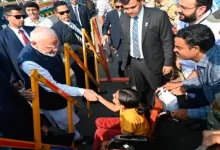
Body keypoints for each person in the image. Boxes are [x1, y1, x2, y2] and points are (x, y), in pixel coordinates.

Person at [18, 27, 96, 144]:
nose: (55, 49)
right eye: (50, 47)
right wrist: (82, 91)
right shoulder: (29, 62)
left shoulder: (46, 46)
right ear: (34, 43)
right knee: (64, 119)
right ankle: (77, 139)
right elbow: (52, 87)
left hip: (61, 85)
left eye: (56, 44)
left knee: (68, 112)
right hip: (50, 96)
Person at [120, 0, 174, 107]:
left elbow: (167, 40)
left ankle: (159, 117)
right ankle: (143, 115)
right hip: (134, 62)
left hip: (153, 62)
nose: (130, 11)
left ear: (141, 2)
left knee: (158, 92)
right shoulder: (123, 18)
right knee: (138, 92)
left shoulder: (158, 15)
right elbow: (126, 41)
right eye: (126, 8)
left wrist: (168, 62)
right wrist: (125, 61)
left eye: (133, 7)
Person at [162, 24, 220, 120]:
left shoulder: (217, 72)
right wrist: (182, 83)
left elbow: (218, 110)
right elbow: (204, 79)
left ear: (196, 49)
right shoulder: (210, 54)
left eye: (179, 47)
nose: (174, 49)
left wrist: (190, 113)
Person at [52, 1, 98, 95]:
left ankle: (96, 91)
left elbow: (82, 35)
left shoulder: (75, 22)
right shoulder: (55, 28)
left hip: (87, 52)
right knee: (82, 77)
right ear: (56, 14)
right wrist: (77, 47)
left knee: (92, 73)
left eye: (67, 11)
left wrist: (87, 43)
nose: (66, 14)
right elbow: (59, 47)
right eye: (62, 13)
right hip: (75, 57)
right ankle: (87, 97)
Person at [0, 4, 34, 84]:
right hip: (25, 78)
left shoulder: (33, 30)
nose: (22, 19)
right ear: (7, 17)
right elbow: (5, 62)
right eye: (17, 17)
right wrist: (13, 80)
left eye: (23, 16)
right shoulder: (2, 37)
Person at [102, 0, 125, 77]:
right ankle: (122, 75)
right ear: (114, 5)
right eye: (117, 7)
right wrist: (105, 34)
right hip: (118, 40)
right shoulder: (110, 14)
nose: (120, 8)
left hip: (129, 39)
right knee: (122, 59)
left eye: (122, 6)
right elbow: (105, 26)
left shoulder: (129, 11)